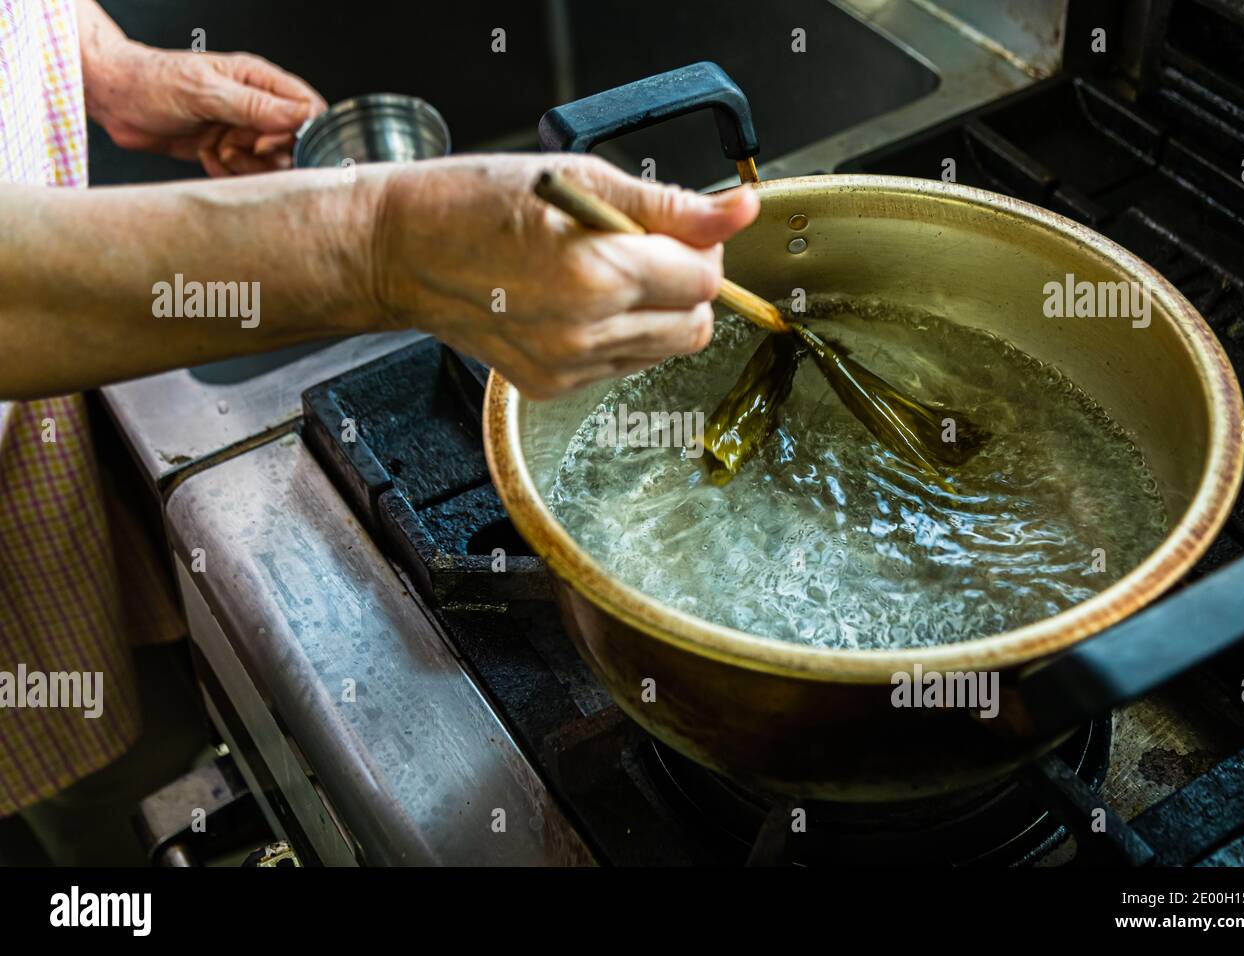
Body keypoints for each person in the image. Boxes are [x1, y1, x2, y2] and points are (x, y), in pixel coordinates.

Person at [0, 0, 759, 853]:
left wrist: (91, 56)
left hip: (42, 447)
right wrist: (373, 247)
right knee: (85, 790)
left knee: (134, 727)